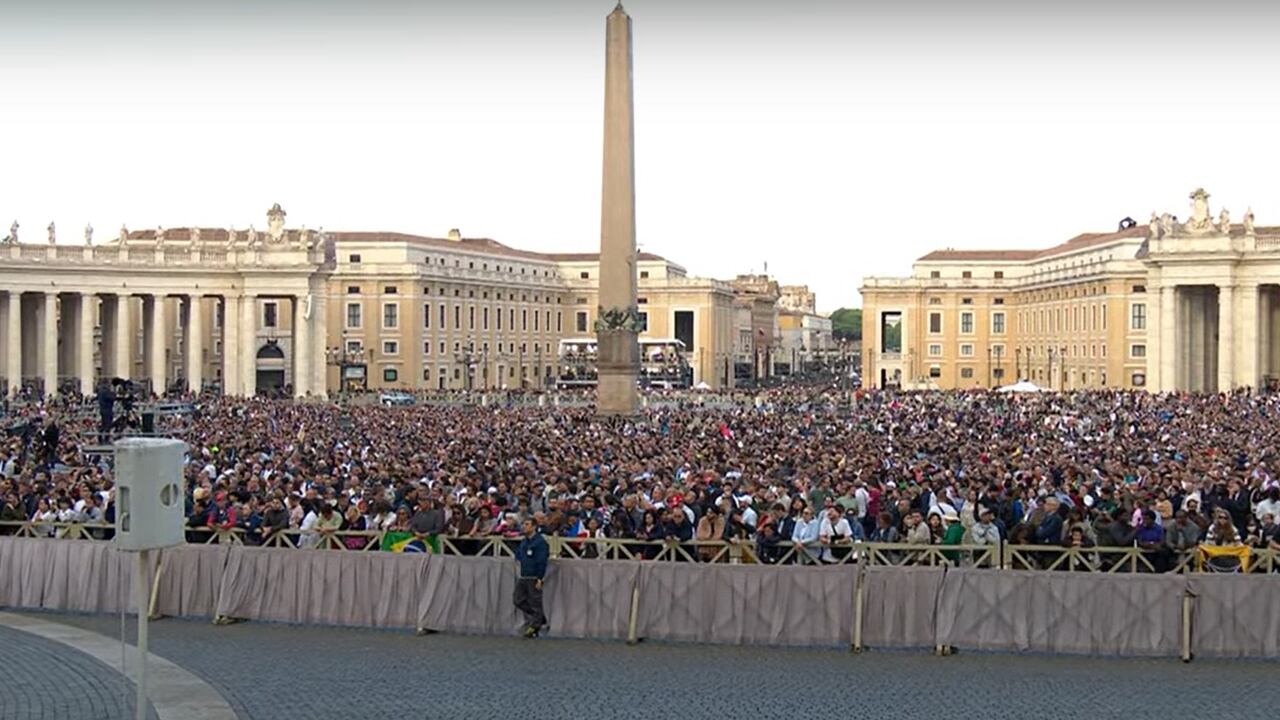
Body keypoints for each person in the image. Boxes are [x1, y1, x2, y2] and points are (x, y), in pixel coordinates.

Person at [514, 518, 549, 638]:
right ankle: (538, 617)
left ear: (534, 527)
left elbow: (542, 561)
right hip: (524, 574)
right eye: (524, 524)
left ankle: (534, 627)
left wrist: (540, 578)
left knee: (535, 602)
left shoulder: (540, 542)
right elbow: (518, 554)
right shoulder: (524, 541)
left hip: (534, 576)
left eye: (527, 524)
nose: (524, 526)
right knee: (518, 600)